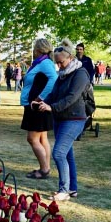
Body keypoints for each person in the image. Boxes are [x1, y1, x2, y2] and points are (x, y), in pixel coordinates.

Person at [35, 39, 90, 201]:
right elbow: (54, 94)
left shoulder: (80, 74)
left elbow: (72, 97)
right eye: (57, 63)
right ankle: (72, 189)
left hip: (75, 118)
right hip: (61, 118)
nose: (59, 66)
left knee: (58, 153)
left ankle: (64, 190)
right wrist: (41, 102)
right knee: (67, 154)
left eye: (61, 62)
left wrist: (52, 107)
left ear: (70, 58)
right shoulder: (62, 75)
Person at [20, 38, 58, 180]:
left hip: (37, 107)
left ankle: (44, 169)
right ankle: (45, 167)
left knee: (32, 138)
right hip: (35, 106)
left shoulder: (45, 63)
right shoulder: (40, 62)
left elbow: (54, 79)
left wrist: (40, 98)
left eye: (34, 48)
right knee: (42, 138)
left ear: (38, 50)